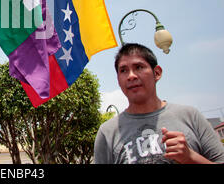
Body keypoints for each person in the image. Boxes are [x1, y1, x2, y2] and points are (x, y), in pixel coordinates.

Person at [94, 43, 224, 164]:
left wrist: (190, 157)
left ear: (157, 73)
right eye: (123, 70)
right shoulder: (107, 132)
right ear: (118, 80)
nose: (131, 76)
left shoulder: (190, 116)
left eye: (138, 67)